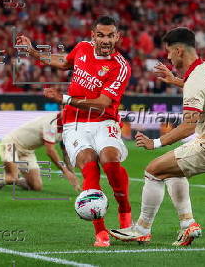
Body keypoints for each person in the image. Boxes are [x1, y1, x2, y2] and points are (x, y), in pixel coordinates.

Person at [110, 27, 205, 246]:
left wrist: (155, 142)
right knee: (171, 170)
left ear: (178, 51)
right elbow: (199, 88)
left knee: (153, 171)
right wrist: (175, 80)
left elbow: (188, 127)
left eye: (169, 52)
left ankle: (141, 229)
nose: (167, 57)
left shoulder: (195, 80)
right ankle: (188, 225)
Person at [17, 15, 132, 247]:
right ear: (93, 36)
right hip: (74, 124)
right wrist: (33, 52)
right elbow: (63, 62)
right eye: (101, 35)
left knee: (110, 161)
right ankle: (100, 231)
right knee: (88, 164)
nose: (106, 40)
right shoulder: (81, 48)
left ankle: (125, 215)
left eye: (111, 35)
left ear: (118, 37)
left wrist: (65, 98)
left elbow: (101, 103)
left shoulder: (120, 67)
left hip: (104, 121)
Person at [0, 112, 80, 193]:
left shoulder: (69, 128)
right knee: (11, 177)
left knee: (36, 186)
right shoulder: (51, 123)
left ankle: (7, 178)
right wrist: (65, 171)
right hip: (11, 143)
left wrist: (72, 173)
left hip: (27, 151)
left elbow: (65, 152)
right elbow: (49, 150)